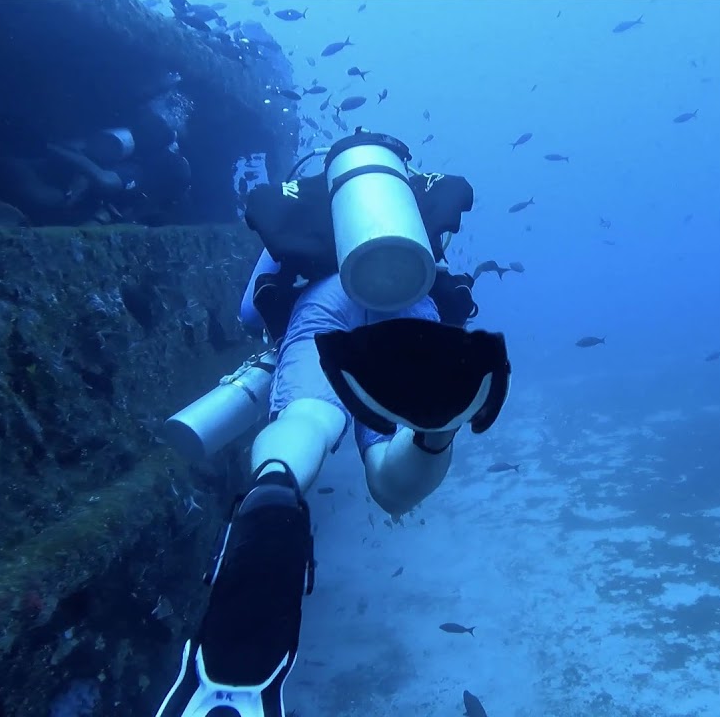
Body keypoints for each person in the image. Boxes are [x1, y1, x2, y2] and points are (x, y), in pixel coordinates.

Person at [156, 131, 511, 717]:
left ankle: (273, 487)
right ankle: (433, 431)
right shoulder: (411, 201)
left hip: (324, 299)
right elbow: (440, 269)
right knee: (390, 478)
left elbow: (250, 310)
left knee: (307, 417)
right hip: (407, 299)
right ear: (398, 167)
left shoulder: (301, 202)